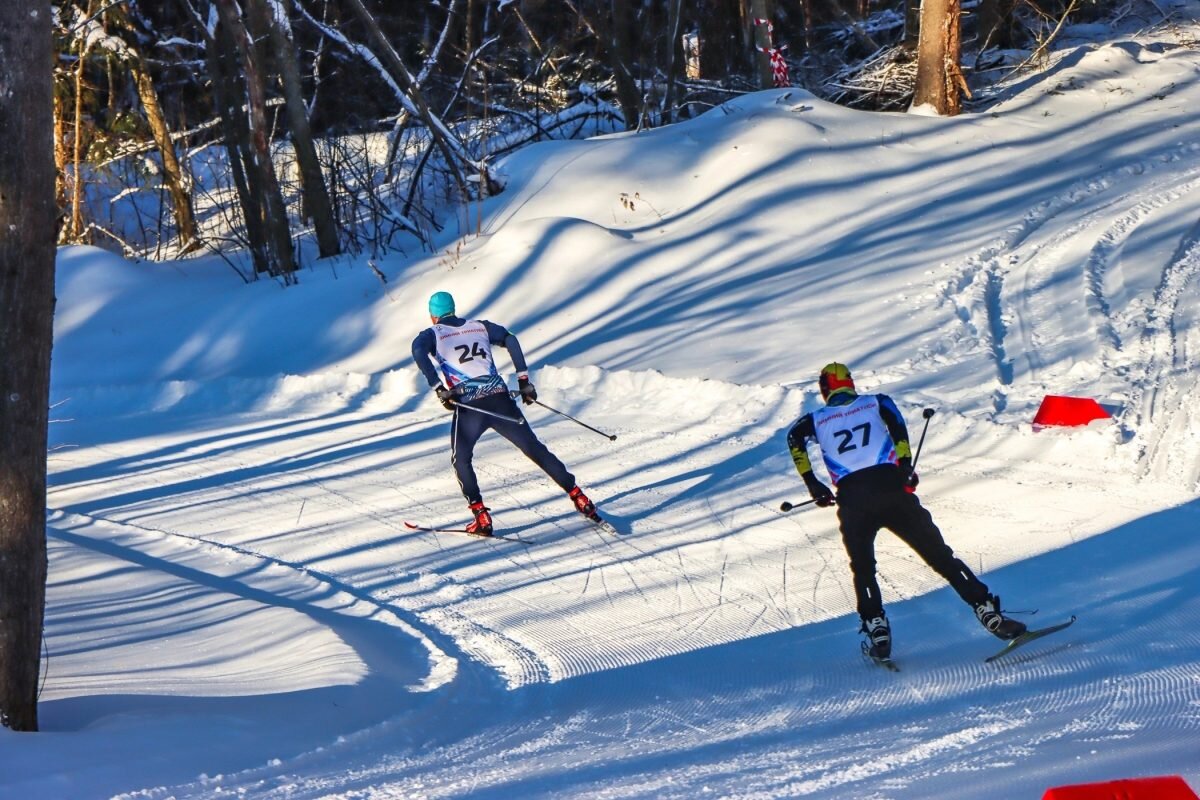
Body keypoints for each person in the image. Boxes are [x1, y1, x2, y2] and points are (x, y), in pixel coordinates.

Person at [786, 362, 1027, 660]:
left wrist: (813, 485)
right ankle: (986, 610)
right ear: (850, 382)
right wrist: (905, 466)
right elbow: (898, 429)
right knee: (940, 556)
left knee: (863, 568)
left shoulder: (814, 419)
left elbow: (793, 439)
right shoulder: (876, 402)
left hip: (853, 499)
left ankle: (877, 626)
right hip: (891, 489)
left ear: (825, 389)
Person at [411, 291, 601, 535]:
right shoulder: (479, 327)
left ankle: (481, 516)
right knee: (535, 449)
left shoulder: (432, 334)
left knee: (461, 458)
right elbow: (510, 339)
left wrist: (438, 388)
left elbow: (418, 350)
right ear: (453, 309)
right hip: (500, 399)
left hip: (470, 404)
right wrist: (523, 381)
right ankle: (579, 496)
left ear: (432, 316)